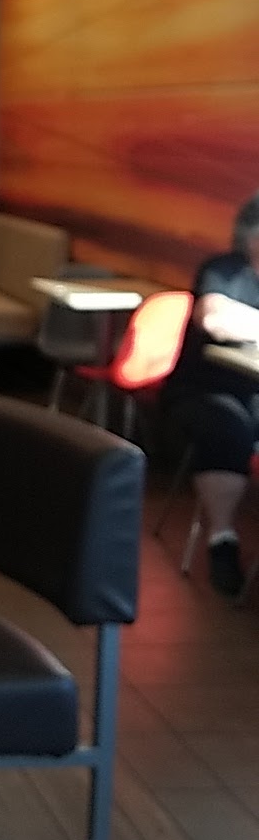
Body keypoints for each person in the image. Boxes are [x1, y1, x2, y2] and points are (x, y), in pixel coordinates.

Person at [163, 192, 259, 601]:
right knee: (228, 430)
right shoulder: (223, 270)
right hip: (201, 389)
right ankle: (223, 539)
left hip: (254, 392)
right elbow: (216, 319)